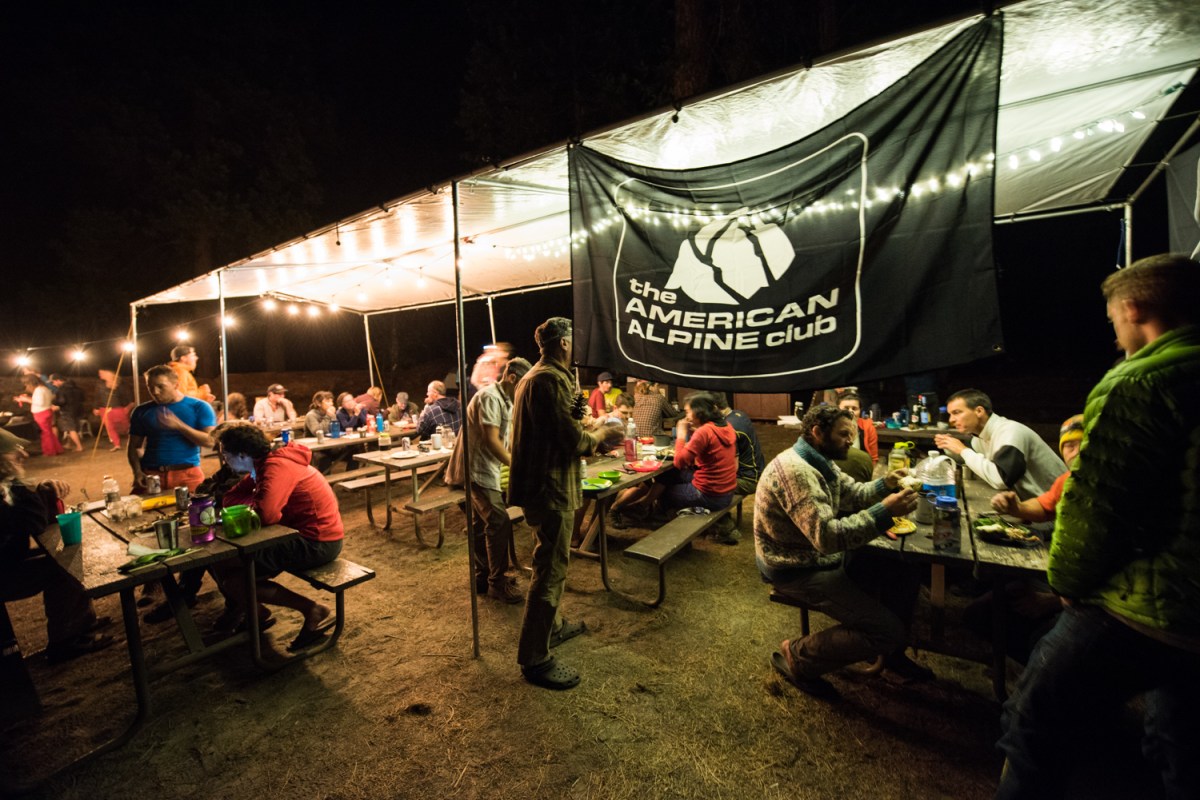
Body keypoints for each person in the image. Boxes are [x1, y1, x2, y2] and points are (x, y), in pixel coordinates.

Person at [995, 254, 1200, 799]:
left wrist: (1065, 584)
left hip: (1145, 606)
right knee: (1182, 747)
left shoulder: (1139, 381)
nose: (1114, 336)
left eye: (1113, 320)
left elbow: (1098, 505)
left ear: (1134, 308)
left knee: (1033, 726)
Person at [755, 405, 926, 700]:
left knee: (904, 569)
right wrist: (884, 512)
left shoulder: (820, 460)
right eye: (844, 434)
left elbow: (854, 493)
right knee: (886, 630)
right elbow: (827, 538)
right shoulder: (797, 472)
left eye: (852, 434)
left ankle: (891, 655)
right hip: (795, 568)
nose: (851, 440)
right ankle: (799, 655)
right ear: (817, 432)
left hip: (816, 557)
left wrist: (885, 484)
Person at [509, 317, 623, 690]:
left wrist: (589, 426)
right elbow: (573, 441)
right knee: (551, 569)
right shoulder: (549, 380)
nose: (576, 345)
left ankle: (553, 626)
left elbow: (560, 428)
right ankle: (534, 658)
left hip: (544, 485)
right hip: (550, 488)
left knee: (551, 563)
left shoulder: (537, 377)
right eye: (573, 339)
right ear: (562, 343)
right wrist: (604, 431)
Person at [208, 424, 342, 650]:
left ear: (242, 454)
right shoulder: (264, 465)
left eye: (226, 455)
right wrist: (251, 506)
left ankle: (311, 609)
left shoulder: (275, 466)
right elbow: (231, 498)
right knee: (221, 562)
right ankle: (254, 611)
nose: (225, 461)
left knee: (231, 575)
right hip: (303, 535)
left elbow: (267, 515)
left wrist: (251, 508)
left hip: (317, 542)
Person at [0, 429, 114, 662]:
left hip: (8, 559)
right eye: (13, 451)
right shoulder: (9, 488)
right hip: (4, 572)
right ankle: (64, 642)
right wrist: (28, 486)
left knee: (66, 555)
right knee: (61, 568)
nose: (24, 455)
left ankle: (82, 623)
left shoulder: (5, 486)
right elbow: (33, 522)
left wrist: (38, 489)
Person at [463, 357, 532, 604]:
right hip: (478, 470)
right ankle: (497, 582)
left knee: (480, 525)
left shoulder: (507, 401)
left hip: (488, 469)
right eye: (523, 385)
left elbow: (507, 439)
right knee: (499, 521)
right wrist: (517, 466)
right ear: (512, 378)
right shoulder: (490, 397)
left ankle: (483, 576)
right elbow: (492, 440)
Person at [933, 389, 1064, 500]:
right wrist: (951, 447)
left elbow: (1001, 479)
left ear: (979, 411)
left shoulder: (1010, 432)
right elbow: (974, 463)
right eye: (950, 414)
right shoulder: (979, 439)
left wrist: (962, 449)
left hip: (1060, 507)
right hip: (1034, 505)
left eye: (957, 413)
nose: (951, 420)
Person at [127, 365, 216, 493]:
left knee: (196, 505)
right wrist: (137, 471)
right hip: (151, 474)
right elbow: (134, 447)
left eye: (161, 386)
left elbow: (210, 441)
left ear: (176, 385)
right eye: (150, 387)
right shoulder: (141, 411)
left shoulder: (199, 407)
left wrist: (179, 425)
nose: (155, 392)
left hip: (187, 474)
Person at [712, 392, 765, 543]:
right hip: (757, 472)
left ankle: (726, 528)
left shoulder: (729, 428)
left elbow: (732, 468)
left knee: (708, 487)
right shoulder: (738, 414)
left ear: (714, 407)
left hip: (747, 479)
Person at [15, 374, 63, 457]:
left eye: (26, 383)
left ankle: (50, 452)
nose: (26, 385)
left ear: (31, 382)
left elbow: (40, 403)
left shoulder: (39, 390)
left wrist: (25, 399)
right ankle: (57, 449)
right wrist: (29, 398)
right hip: (47, 411)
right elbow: (45, 400)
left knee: (46, 433)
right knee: (49, 432)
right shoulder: (45, 388)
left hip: (41, 413)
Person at [93, 369, 133, 451]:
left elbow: (128, 397)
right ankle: (116, 444)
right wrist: (96, 408)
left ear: (109, 373)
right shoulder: (100, 385)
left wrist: (128, 407)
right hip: (104, 409)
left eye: (102, 372)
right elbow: (97, 397)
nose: (100, 374)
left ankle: (135, 440)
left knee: (125, 426)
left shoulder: (120, 385)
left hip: (118, 408)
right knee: (110, 427)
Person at [836, 390, 878, 463]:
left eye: (854, 408)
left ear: (860, 410)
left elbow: (874, 458)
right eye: (846, 408)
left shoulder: (868, 427)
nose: (850, 412)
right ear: (838, 409)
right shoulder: (832, 427)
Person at [50, 374, 86, 453]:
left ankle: (79, 446)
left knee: (71, 429)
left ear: (58, 380)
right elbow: (83, 399)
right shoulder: (77, 388)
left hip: (67, 411)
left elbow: (61, 401)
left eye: (53, 382)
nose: (53, 384)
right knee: (73, 428)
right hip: (78, 411)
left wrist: (54, 402)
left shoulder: (62, 389)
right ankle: (69, 444)